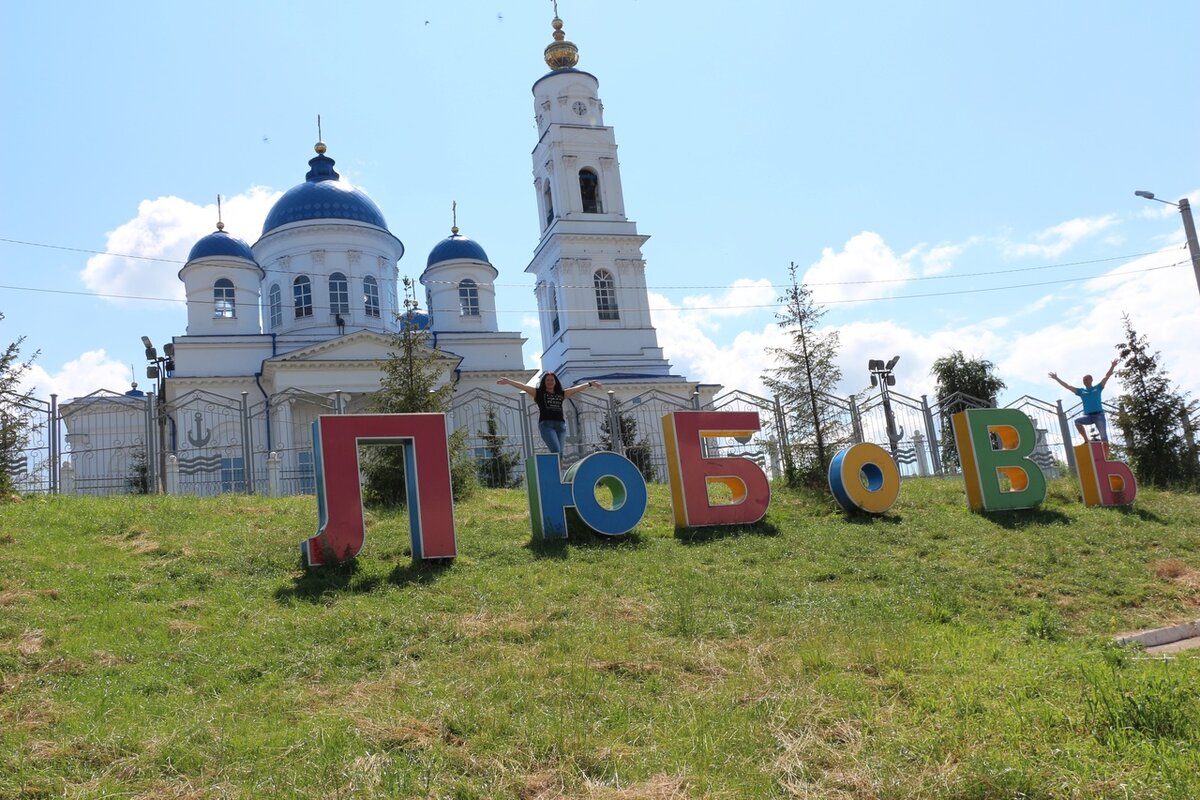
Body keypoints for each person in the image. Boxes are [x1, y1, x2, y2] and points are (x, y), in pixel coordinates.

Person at [497, 372, 602, 454]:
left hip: (561, 426)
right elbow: (524, 387)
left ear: (555, 382)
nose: (550, 382)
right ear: (544, 382)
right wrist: (509, 381)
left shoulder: (561, 393)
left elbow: (575, 389)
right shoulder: (538, 393)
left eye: (552, 380)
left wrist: (589, 384)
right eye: (548, 380)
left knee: (560, 453)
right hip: (546, 425)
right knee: (556, 451)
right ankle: (556, 473)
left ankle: (559, 475)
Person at [1049, 359, 1119, 444]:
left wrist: (1112, 366)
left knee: (1104, 438)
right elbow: (1067, 386)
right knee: (1077, 421)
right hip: (1088, 416)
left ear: (1091, 380)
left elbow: (1106, 376)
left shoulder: (1098, 387)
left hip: (1099, 415)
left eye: (1086, 379)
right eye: (1083, 380)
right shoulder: (1081, 391)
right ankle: (1086, 440)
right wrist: (1057, 378)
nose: (1084, 381)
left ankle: (1106, 456)